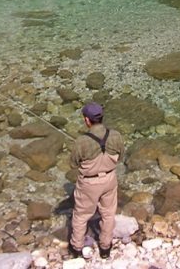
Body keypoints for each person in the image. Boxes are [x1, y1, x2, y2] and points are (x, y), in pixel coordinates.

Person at [69, 101, 124, 259]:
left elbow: (73, 163)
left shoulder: (81, 141)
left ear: (87, 120)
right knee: (108, 214)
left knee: (81, 215)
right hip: (110, 179)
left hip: (89, 183)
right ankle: (105, 248)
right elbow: (120, 156)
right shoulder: (115, 135)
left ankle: (77, 248)